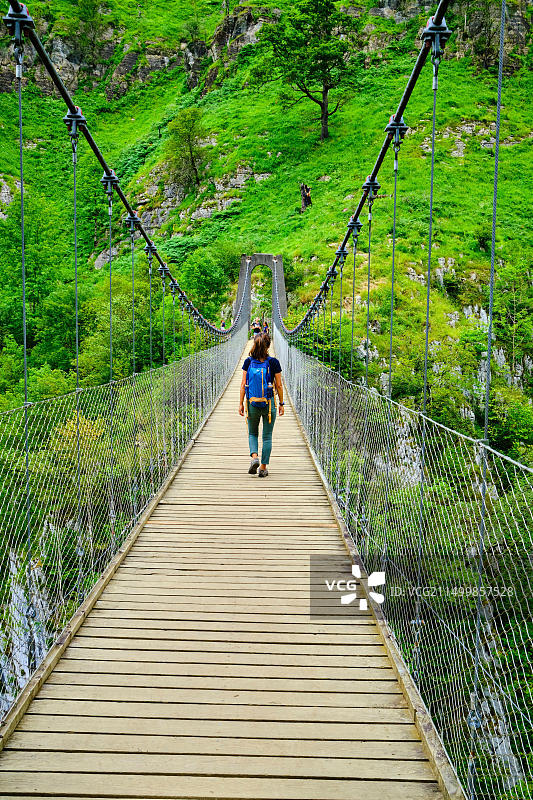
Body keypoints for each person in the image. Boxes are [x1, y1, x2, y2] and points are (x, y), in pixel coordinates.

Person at [239, 333, 284, 477]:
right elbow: (279, 385)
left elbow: (243, 384)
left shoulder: (248, 362)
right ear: (268, 345)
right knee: (267, 436)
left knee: (252, 433)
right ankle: (263, 468)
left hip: (252, 403)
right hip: (269, 404)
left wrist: (240, 403)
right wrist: (281, 403)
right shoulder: (274, 362)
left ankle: (254, 457)